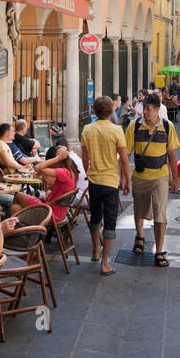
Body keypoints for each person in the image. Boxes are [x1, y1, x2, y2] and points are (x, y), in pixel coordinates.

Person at [125, 91, 180, 268]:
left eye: (148, 109)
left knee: (160, 212)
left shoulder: (167, 126)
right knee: (139, 209)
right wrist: (124, 178)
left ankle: (159, 250)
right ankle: (139, 235)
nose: (145, 112)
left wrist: (175, 178)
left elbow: (172, 154)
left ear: (157, 110)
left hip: (161, 176)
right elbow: (125, 154)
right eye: (144, 108)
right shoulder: (134, 127)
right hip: (140, 177)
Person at [81, 95, 130, 276]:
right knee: (110, 222)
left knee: (95, 217)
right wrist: (127, 181)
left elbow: (85, 157)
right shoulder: (116, 131)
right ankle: (105, 263)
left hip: (94, 181)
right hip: (110, 182)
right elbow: (124, 160)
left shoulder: (87, 129)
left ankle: (95, 251)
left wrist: (88, 173)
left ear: (95, 111)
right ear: (111, 111)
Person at [8, 159, 76, 221]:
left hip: (49, 212)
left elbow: (38, 167)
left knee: (18, 195)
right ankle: (25, 231)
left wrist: (59, 157)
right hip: (56, 213)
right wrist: (41, 175)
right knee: (15, 208)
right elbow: (48, 184)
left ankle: (18, 229)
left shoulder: (64, 172)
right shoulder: (70, 174)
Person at [36, 135, 88, 204]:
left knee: (28, 196)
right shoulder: (70, 161)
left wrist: (56, 159)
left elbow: (48, 180)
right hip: (83, 195)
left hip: (76, 198)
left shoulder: (65, 170)